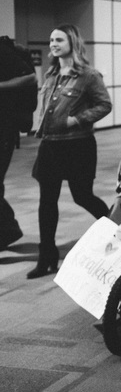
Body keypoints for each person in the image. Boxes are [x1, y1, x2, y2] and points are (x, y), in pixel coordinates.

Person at [27, 25, 111, 280]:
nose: (53, 44)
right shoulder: (51, 74)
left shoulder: (88, 75)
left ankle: (117, 227)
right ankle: (47, 256)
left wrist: (78, 119)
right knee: (47, 202)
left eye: (59, 39)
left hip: (78, 145)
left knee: (82, 196)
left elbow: (104, 104)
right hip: (50, 145)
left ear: (71, 42)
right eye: (51, 39)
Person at [0, 36, 37, 250]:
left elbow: (30, 77)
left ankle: (9, 230)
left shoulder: (3, 51)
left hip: (4, 127)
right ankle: (7, 231)